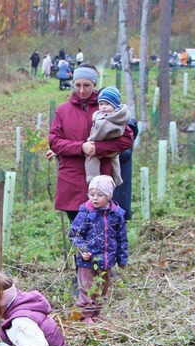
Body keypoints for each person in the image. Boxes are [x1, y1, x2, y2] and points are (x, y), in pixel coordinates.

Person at [48, 63, 134, 223]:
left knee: (101, 231)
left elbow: (126, 139)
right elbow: (54, 141)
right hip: (71, 178)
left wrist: (99, 149)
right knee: (78, 232)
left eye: (86, 85)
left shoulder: (107, 108)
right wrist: (81, 147)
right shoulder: (62, 111)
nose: (82, 90)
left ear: (94, 84)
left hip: (101, 178)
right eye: (77, 85)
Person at [69, 175, 128, 324]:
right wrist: (82, 250)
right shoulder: (85, 213)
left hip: (107, 260)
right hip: (87, 260)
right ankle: (85, 315)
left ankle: (96, 312)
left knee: (103, 287)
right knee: (87, 287)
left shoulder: (117, 214)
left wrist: (122, 258)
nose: (95, 198)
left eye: (100, 195)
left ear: (108, 196)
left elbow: (122, 237)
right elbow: (75, 235)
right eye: (91, 194)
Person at [85, 86, 131, 186]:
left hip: (105, 152)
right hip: (101, 151)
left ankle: (94, 179)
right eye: (101, 104)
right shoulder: (98, 115)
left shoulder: (116, 118)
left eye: (107, 104)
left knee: (105, 167)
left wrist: (93, 144)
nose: (103, 107)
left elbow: (126, 139)